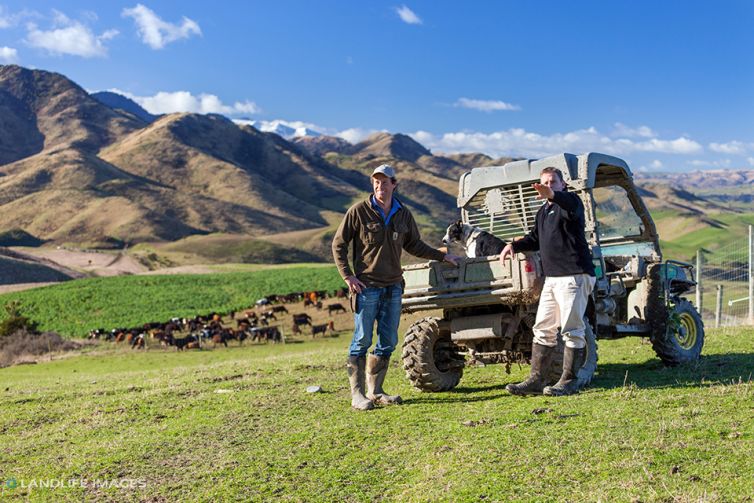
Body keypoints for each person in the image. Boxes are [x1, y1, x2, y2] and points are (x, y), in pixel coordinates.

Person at [332, 164, 459, 410]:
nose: (380, 186)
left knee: (388, 340)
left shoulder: (403, 214)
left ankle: (376, 391)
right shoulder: (358, 211)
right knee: (361, 339)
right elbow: (339, 244)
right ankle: (357, 395)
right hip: (366, 286)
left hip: (393, 286)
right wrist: (348, 277)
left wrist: (443, 257)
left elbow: (415, 245)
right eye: (376, 182)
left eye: (384, 182)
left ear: (394, 184)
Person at [499, 167, 595, 396]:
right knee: (542, 327)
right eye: (544, 183)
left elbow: (569, 204)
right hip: (552, 278)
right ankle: (536, 379)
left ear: (563, 185)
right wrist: (513, 245)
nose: (548, 186)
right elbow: (534, 239)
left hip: (574, 275)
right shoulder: (543, 212)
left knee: (572, 329)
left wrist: (553, 195)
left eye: (553, 182)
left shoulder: (571, 203)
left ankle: (569, 381)